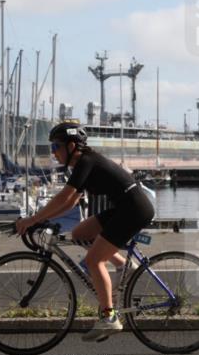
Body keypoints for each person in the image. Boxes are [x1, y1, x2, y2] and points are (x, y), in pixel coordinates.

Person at [15, 122, 154, 341]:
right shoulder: (83, 164)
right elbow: (70, 203)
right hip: (124, 208)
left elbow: (63, 198)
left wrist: (33, 219)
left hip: (133, 211)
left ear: (71, 146)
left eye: (56, 147)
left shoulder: (87, 162)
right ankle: (124, 267)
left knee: (93, 261)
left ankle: (109, 318)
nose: (54, 153)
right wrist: (42, 219)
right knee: (79, 233)